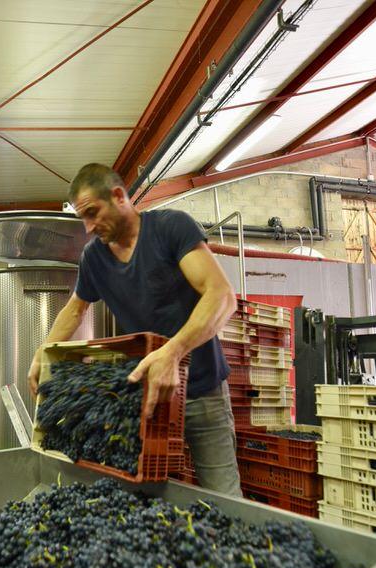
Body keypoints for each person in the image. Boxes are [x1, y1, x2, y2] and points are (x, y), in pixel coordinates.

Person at [27, 163, 241, 496]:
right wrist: (44, 352)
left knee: (225, 498)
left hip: (203, 391)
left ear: (118, 196)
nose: (88, 227)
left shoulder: (171, 229)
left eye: (93, 213)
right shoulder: (94, 258)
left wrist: (172, 351)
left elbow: (222, 296)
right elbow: (75, 308)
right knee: (147, 503)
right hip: (148, 400)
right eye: (83, 218)